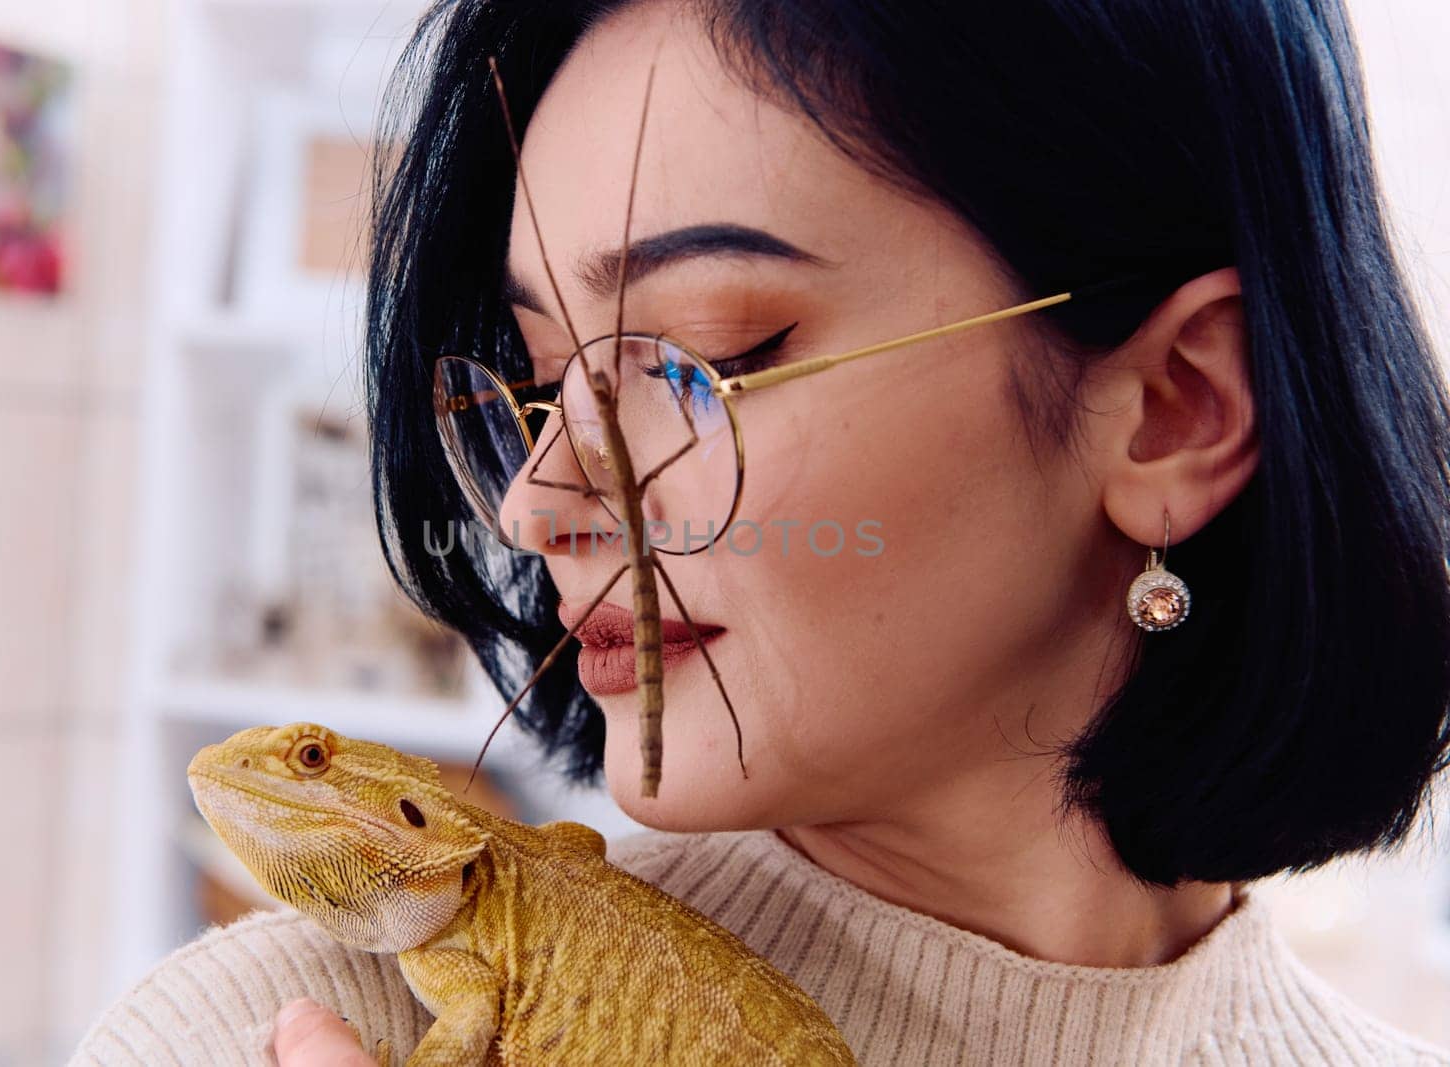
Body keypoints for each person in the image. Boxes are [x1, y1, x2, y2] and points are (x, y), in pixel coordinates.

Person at [73, 0, 1450, 1063]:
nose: (534, 504)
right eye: (541, 381)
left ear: (1173, 411)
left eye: (700, 358)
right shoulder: (280, 1027)